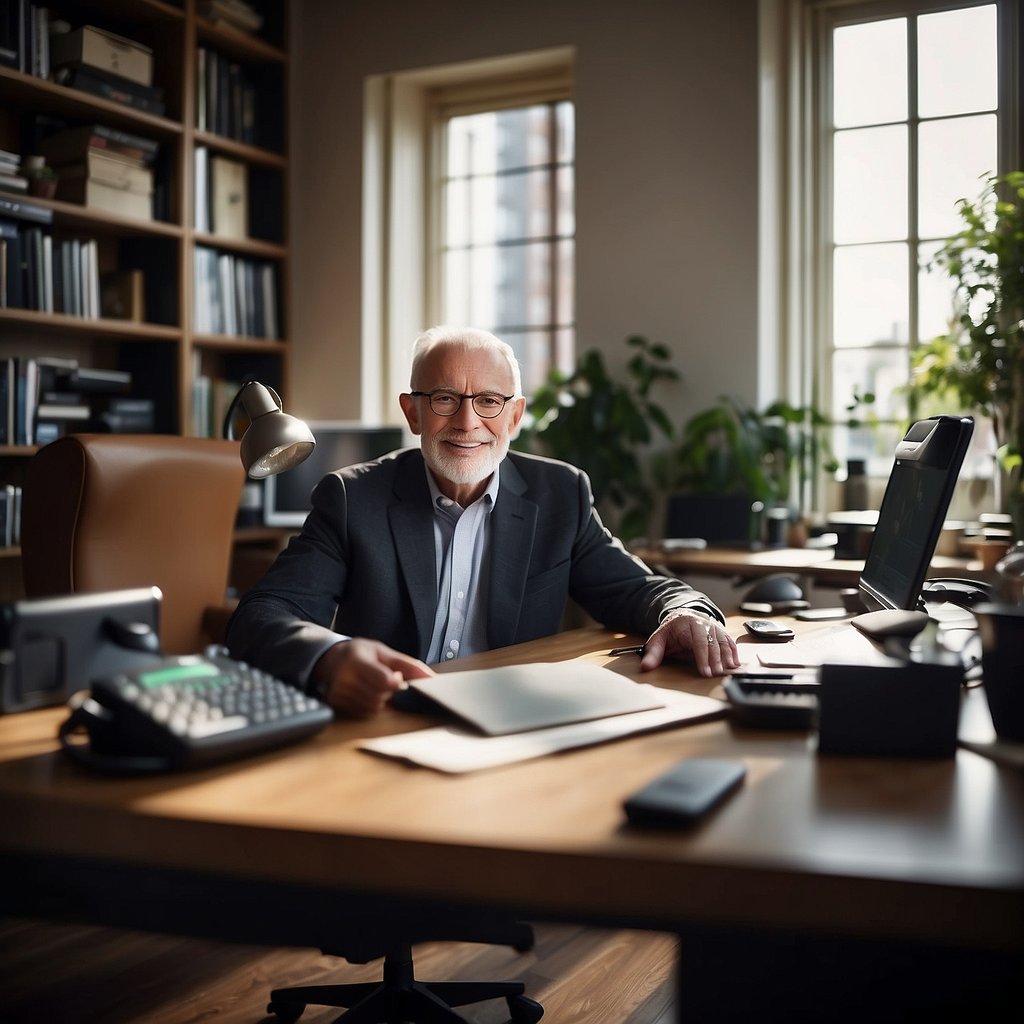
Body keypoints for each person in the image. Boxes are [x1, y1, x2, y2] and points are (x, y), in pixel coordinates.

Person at [226, 326, 740, 717]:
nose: (468, 422)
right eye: (444, 399)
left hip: (515, 717)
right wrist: (330, 656)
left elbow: (634, 588)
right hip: (397, 716)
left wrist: (682, 612)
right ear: (413, 413)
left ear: (514, 417)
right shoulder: (352, 498)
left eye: (489, 401)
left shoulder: (560, 494)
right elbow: (262, 615)